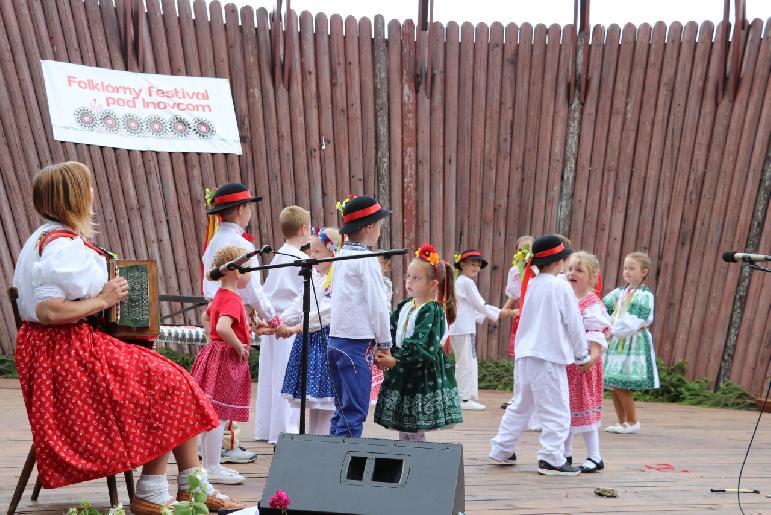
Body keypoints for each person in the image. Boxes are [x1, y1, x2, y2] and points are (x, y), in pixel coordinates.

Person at [13, 162, 241, 514]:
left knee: (172, 378)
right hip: (64, 356)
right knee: (167, 383)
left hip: (60, 349)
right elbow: (49, 311)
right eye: (87, 188)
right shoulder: (61, 246)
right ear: (74, 196)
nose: (92, 195)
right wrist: (104, 300)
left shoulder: (47, 237)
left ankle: (190, 485)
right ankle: (157, 490)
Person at [489, 234, 590, 476]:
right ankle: (551, 458)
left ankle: (502, 449)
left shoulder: (532, 284)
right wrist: (582, 355)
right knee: (556, 409)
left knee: (520, 405)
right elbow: (574, 324)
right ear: (559, 262)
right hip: (548, 356)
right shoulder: (561, 286)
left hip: (525, 355)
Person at [202, 182, 285, 464]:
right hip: (230, 315)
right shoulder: (241, 246)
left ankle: (218, 445)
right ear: (240, 210)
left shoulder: (215, 241)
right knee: (227, 388)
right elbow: (254, 289)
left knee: (215, 390)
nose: (250, 211)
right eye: (248, 207)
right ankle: (225, 445)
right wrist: (273, 319)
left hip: (216, 309)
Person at [374, 244, 463, 441]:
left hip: (421, 371)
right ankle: (405, 457)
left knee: (416, 423)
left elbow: (422, 345)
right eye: (408, 276)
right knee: (404, 422)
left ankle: (417, 460)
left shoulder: (432, 310)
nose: (409, 282)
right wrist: (384, 350)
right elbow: (391, 328)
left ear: (432, 285)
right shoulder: (405, 305)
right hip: (403, 368)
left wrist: (396, 360)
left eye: (416, 278)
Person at [328, 194, 393, 437]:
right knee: (354, 412)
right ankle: (342, 469)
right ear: (368, 227)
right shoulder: (366, 260)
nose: (379, 231)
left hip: (335, 341)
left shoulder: (341, 257)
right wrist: (385, 343)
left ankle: (332, 463)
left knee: (342, 411)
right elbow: (378, 305)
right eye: (378, 226)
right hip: (356, 344)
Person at [192, 245, 256, 485]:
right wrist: (239, 346)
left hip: (214, 355)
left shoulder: (219, 295)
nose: (250, 274)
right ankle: (212, 466)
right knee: (218, 415)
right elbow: (222, 327)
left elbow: (207, 318)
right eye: (248, 269)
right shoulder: (232, 299)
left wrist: (213, 339)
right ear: (236, 272)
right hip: (226, 360)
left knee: (215, 413)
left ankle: (211, 465)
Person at [254, 206, 312, 443]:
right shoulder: (303, 260)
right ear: (304, 229)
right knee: (286, 378)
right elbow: (302, 296)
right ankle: (284, 430)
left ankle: (267, 428)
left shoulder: (280, 254)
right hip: (288, 325)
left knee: (270, 377)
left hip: (272, 321)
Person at [280, 227, 341, 435]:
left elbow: (327, 312)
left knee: (326, 404)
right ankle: (312, 443)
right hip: (310, 339)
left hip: (325, 340)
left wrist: (297, 327)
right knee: (314, 404)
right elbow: (298, 304)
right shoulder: (314, 276)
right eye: (311, 252)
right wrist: (277, 322)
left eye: (317, 253)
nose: (311, 256)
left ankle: (321, 445)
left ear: (332, 253)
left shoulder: (336, 278)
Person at [563, 252, 612, 473]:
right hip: (565, 365)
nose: (572, 273)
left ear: (593, 278)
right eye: (570, 268)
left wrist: (591, 358)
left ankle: (595, 455)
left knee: (584, 408)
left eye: (579, 270)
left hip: (583, 366)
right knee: (564, 410)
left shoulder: (592, 304)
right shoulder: (566, 297)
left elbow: (596, 334)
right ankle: (564, 453)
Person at [448, 249, 513, 410]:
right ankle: (464, 399)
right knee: (466, 363)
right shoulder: (466, 282)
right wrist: (500, 313)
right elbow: (479, 304)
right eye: (472, 264)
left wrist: (497, 313)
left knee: (464, 362)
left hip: (460, 327)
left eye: (478, 265)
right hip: (463, 328)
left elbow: (473, 308)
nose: (476, 267)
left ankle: (460, 396)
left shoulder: (460, 282)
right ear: (462, 265)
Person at [603, 252, 658, 434]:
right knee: (613, 383)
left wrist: (612, 329)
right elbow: (602, 307)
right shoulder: (620, 292)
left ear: (644, 272)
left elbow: (634, 320)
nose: (627, 271)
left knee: (621, 384)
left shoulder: (644, 295)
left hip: (632, 341)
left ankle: (633, 421)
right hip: (617, 340)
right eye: (625, 268)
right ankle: (622, 422)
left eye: (631, 268)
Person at [501, 235, 534, 409]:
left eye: (527, 249)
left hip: (534, 317)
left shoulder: (537, 270)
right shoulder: (514, 271)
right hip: (520, 316)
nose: (523, 253)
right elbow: (513, 295)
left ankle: (529, 398)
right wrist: (503, 311)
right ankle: (517, 396)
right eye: (520, 250)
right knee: (519, 356)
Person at [370, 251, 394, 405]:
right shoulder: (372, 282)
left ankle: (377, 389)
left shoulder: (385, 283)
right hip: (374, 319)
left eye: (377, 265)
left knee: (380, 351)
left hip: (382, 319)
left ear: (385, 267)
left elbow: (383, 304)